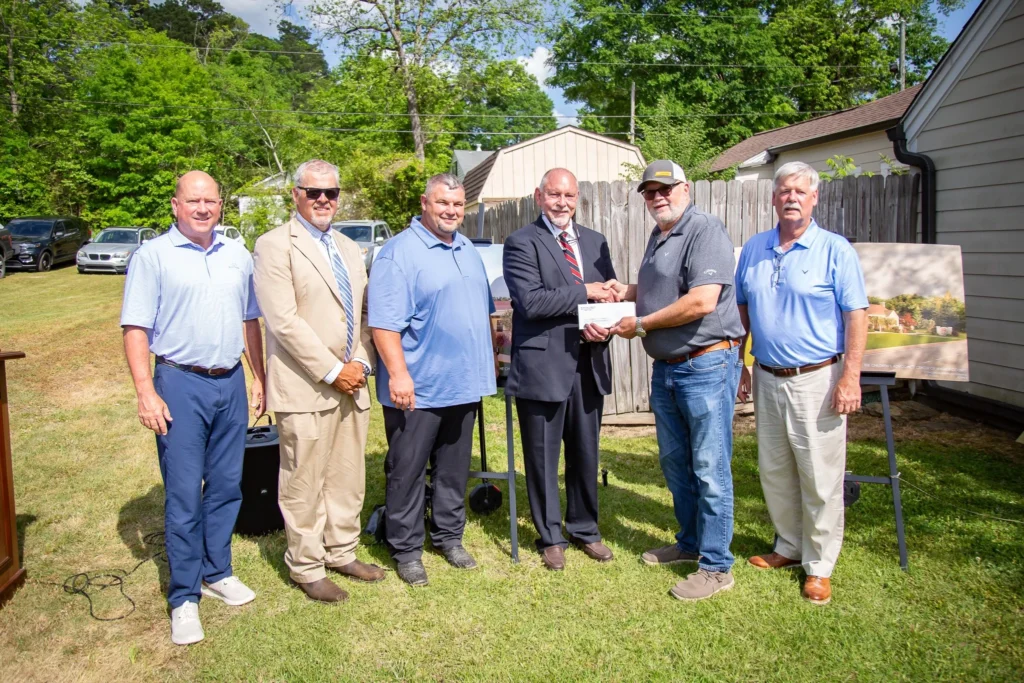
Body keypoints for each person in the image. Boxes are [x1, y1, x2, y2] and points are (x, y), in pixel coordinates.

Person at [121, 170, 265, 646]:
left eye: (211, 201)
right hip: (180, 382)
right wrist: (146, 391)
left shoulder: (237, 254)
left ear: (221, 205)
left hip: (230, 382)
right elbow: (136, 327)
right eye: (193, 201)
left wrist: (259, 377)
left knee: (226, 485)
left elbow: (249, 320)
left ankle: (217, 571)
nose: (203, 208)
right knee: (184, 494)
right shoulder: (153, 257)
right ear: (175, 205)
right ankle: (184, 596)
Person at [605, 159, 745, 601]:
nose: (657, 197)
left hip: (706, 365)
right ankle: (690, 543)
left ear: (686, 189)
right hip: (667, 369)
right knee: (675, 464)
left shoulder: (705, 230)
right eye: (649, 192)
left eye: (665, 189)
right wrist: (626, 292)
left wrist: (640, 324)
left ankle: (717, 566)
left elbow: (702, 301)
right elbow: (664, 291)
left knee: (709, 468)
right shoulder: (660, 234)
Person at [734, 161, 868, 606]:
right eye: (784, 190)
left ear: (814, 199)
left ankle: (819, 566)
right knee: (775, 469)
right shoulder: (755, 248)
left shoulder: (835, 250)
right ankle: (789, 547)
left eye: (800, 191)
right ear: (773, 198)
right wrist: (741, 363)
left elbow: (856, 316)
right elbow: (742, 310)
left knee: (819, 475)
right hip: (768, 376)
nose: (791, 197)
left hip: (818, 378)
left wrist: (850, 376)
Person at [253, 159, 383, 604]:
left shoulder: (349, 247)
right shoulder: (274, 246)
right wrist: (332, 370)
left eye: (331, 192)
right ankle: (306, 566)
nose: (323, 200)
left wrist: (360, 363)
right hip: (306, 385)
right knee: (304, 481)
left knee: (347, 476)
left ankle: (341, 551)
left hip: (353, 382)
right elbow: (283, 321)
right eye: (314, 192)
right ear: (296, 195)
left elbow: (364, 314)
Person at [368, 173, 497, 586]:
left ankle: (448, 537)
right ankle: (406, 549)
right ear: (425, 203)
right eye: (443, 203)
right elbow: (383, 324)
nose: (451, 211)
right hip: (417, 388)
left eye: (457, 204)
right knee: (406, 472)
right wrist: (399, 374)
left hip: (462, 384)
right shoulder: (398, 254)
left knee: (453, 470)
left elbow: (483, 311)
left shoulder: (466, 249)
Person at [502, 168, 620, 571]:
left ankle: (585, 528)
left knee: (585, 452)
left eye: (569, 196)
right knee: (542, 455)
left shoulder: (595, 241)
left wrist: (605, 324)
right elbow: (531, 302)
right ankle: (551, 535)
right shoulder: (521, 242)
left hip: (589, 362)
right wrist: (585, 291)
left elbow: (607, 297)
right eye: (554, 195)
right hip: (542, 366)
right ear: (539, 197)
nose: (562, 203)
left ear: (577, 199)